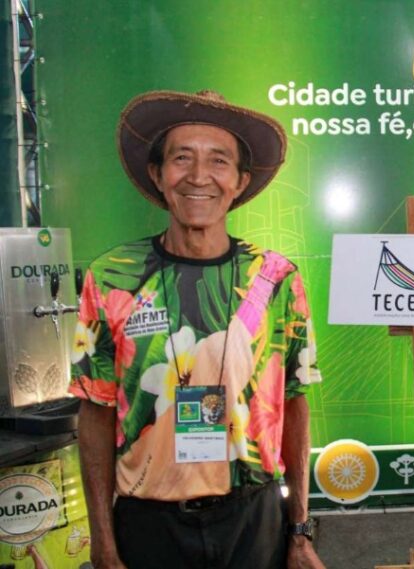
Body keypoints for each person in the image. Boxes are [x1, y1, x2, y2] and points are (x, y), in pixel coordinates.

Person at [70, 90, 324, 569]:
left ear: (240, 180)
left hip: (253, 521)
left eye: (219, 161)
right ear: (157, 174)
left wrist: (299, 531)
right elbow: (95, 412)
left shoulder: (275, 279)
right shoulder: (111, 278)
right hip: (148, 525)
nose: (199, 176)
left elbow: (295, 402)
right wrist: (102, 542)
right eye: (181, 158)